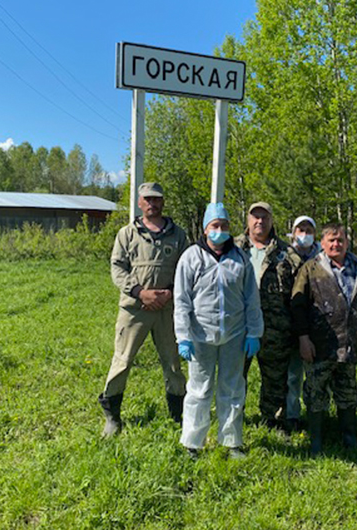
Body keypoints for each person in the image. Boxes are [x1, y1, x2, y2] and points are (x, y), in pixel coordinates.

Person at [174, 203, 264, 459]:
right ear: (205, 229)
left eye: (224, 226)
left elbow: (251, 299)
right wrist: (183, 336)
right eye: (215, 226)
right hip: (200, 337)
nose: (220, 230)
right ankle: (193, 442)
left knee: (233, 389)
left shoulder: (240, 258)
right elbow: (182, 300)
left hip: (234, 335)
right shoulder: (192, 257)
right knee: (199, 389)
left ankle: (232, 442)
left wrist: (253, 333)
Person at [99, 182, 188, 437]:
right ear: (139, 202)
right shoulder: (127, 233)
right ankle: (112, 416)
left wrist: (169, 291)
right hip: (134, 309)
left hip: (167, 309)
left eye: (157, 199)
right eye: (147, 199)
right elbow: (117, 267)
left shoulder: (178, 235)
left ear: (163, 202)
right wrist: (140, 292)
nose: (152, 203)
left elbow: (187, 268)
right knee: (122, 361)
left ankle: (177, 415)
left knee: (172, 363)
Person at [291, 222, 357, 455]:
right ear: (323, 243)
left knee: (347, 392)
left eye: (340, 240)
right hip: (319, 344)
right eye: (331, 240)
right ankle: (315, 439)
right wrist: (303, 338)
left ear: (347, 242)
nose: (336, 244)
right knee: (315, 391)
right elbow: (297, 306)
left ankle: (349, 436)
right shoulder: (311, 268)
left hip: (349, 344)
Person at [235, 202, 301, 431]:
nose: (259, 221)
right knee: (235, 375)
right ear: (247, 220)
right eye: (255, 217)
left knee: (275, 378)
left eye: (264, 217)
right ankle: (234, 418)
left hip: (275, 328)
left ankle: (272, 420)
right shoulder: (233, 248)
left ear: (272, 220)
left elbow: (299, 293)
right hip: (239, 326)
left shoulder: (286, 253)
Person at [285, 215, 320, 431]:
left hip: (318, 323)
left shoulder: (323, 256)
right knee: (292, 374)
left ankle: (317, 415)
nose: (304, 233)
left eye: (308, 229)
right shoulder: (283, 255)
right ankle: (291, 415)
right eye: (300, 229)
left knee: (316, 374)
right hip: (290, 321)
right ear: (293, 232)